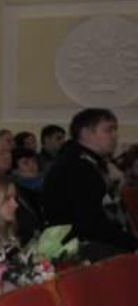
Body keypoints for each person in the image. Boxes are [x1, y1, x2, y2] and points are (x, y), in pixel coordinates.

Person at [44, 108, 136, 256]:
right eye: (108, 130)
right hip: (87, 251)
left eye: (115, 130)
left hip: (104, 245)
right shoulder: (75, 167)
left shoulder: (91, 162)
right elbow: (90, 223)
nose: (115, 135)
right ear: (86, 133)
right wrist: (132, 243)